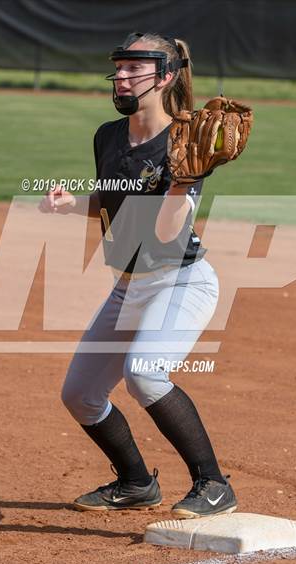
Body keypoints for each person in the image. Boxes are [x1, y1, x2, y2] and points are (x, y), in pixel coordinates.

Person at [39, 31, 237, 519]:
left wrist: (185, 182)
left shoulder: (183, 142)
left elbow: (169, 232)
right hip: (127, 286)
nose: (121, 76)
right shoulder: (107, 136)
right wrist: (70, 206)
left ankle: (213, 485)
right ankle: (134, 483)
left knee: (145, 374)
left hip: (179, 281)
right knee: (81, 395)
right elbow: (112, 204)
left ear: (165, 76)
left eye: (134, 68)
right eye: (119, 67)